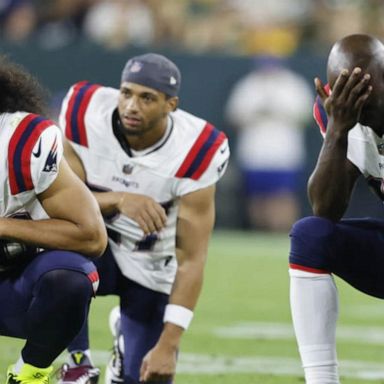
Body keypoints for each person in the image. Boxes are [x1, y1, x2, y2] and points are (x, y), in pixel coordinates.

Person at [57, 53, 230, 384]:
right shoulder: (86, 111)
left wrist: (170, 342)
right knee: (57, 256)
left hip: (151, 267)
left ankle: (126, 340)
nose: (131, 106)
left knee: (151, 376)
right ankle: (78, 363)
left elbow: (192, 259)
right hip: (94, 248)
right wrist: (120, 200)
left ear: (171, 104)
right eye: (126, 93)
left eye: (147, 98)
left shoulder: (197, 149)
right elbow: (61, 206)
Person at [0, 56, 108, 384]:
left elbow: (91, 235)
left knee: (70, 276)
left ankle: (30, 371)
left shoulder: (19, 142)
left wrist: (4, 227)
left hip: (10, 287)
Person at [289, 33, 384, 383]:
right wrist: (338, 130)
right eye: (346, 91)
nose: (358, 101)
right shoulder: (341, 114)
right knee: (310, 235)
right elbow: (325, 210)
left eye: (367, 90)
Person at [225, 55, 313, 231]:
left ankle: (285, 235)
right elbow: (234, 116)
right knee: (257, 198)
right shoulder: (248, 85)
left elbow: (306, 116)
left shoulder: (293, 84)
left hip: (284, 153)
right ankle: (260, 235)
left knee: (283, 197)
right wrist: (257, 112)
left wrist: (279, 111)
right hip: (255, 152)